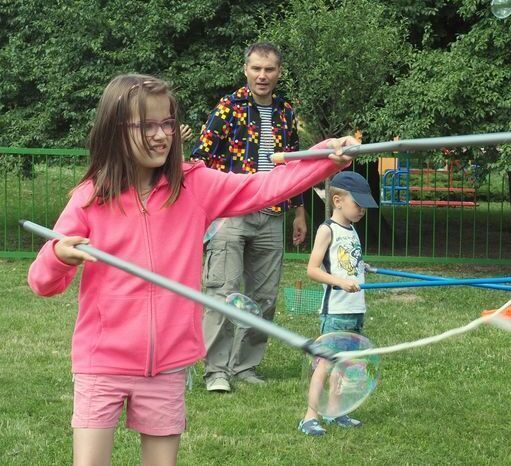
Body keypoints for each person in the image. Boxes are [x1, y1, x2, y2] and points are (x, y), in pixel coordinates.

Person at [26, 74, 353, 465]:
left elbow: (266, 188)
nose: (162, 135)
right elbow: (42, 283)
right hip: (102, 362)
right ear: (116, 129)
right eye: (147, 125)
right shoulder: (91, 198)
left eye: (167, 123)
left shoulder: (194, 186)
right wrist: (59, 255)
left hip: (168, 363)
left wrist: (324, 156)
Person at [191, 42, 309, 392]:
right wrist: (210, 207)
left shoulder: (286, 113)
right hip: (231, 213)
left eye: (269, 69)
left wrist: (299, 211)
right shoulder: (228, 108)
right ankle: (216, 371)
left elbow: (295, 168)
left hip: (272, 215)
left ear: (279, 73)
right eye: (256, 68)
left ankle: (244, 366)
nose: (262, 75)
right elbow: (202, 159)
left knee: (265, 297)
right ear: (246, 69)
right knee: (222, 293)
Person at [298, 171, 378, 436]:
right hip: (336, 311)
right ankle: (310, 416)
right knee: (325, 364)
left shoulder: (352, 230)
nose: (362, 211)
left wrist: (360, 266)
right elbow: (312, 269)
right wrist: (340, 282)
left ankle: (335, 411)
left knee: (344, 364)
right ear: (337, 200)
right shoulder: (326, 229)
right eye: (358, 205)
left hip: (356, 309)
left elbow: (344, 260)